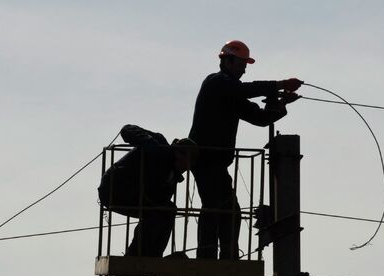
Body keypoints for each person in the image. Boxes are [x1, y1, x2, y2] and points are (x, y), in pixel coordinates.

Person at [189, 40, 302, 259]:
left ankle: (225, 255)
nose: (245, 67)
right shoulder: (216, 82)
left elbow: (259, 118)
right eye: (242, 63)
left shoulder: (232, 95)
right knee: (215, 206)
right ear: (227, 61)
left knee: (229, 211)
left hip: (217, 162)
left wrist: (281, 104)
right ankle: (207, 256)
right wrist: (280, 84)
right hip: (205, 159)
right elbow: (244, 90)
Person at [98, 124, 196, 257]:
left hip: (137, 195)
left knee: (167, 210)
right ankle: (135, 255)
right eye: (186, 159)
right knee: (158, 211)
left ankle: (153, 255)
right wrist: (150, 144)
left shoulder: (171, 179)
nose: (186, 166)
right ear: (177, 153)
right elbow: (127, 129)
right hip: (116, 187)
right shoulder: (160, 144)